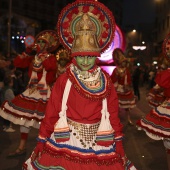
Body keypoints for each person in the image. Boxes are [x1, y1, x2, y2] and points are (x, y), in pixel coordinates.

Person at [23, 1, 136, 170]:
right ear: (74, 55)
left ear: (96, 56)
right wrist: (42, 138)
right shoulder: (64, 79)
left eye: (89, 56)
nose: (84, 61)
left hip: (100, 141)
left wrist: (118, 140)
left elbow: (112, 113)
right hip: (66, 140)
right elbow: (52, 111)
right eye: (80, 56)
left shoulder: (105, 81)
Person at [0, 30, 60, 157]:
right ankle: (21, 147)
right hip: (31, 91)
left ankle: (45, 149)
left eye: (43, 43)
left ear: (48, 46)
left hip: (45, 93)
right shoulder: (33, 57)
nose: (39, 44)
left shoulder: (51, 58)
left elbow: (50, 67)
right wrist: (27, 51)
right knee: (25, 120)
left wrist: (42, 54)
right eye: (39, 42)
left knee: (44, 122)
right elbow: (16, 63)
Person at [136, 33, 170, 170]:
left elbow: (157, 88)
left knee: (168, 144)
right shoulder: (167, 73)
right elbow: (157, 87)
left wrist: (155, 92)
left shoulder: (167, 73)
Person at [111, 48, 136, 125]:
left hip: (125, 89)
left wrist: (127, 85)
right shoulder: (116, 70)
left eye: (125, 62)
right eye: (123, 62)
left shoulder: (126, 70)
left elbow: (129, 79)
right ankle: (116, 120)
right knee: (116, 106)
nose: (124, 64)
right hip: (117, 89)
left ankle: (128, 119)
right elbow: (112, 79)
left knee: (127, 107)